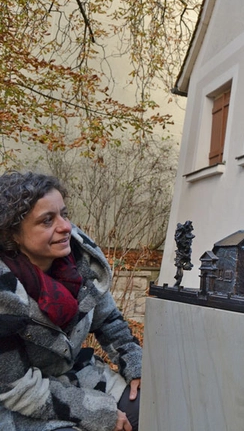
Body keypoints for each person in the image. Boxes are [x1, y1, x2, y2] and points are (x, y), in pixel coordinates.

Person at [0, 171, 142, 431]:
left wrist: (135, 365)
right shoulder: (3, 293)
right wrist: (96, 412)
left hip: (74, 377)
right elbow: (14, 387)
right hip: (13, 401)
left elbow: (109, 322)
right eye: (47, 220)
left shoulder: (82, 266)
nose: (66, 226)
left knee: (147, 408)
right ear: (13, 235)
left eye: (64, 214)